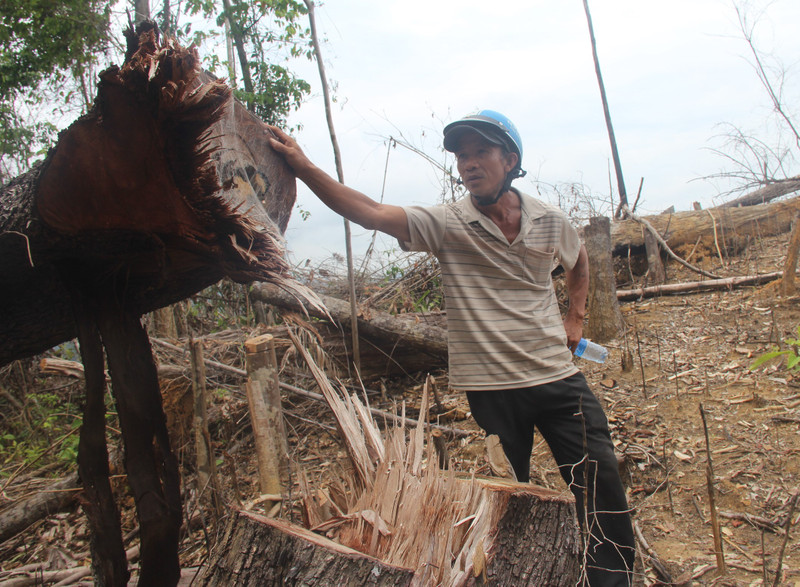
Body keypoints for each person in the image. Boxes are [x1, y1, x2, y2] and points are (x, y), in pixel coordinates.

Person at [267, 110, 635, 585]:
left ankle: (612, 580)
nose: (468, 163)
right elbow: (370, 212)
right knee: (510, 497)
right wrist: (304, 167)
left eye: (481, 151)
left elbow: (578, 260)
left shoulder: (549, 219)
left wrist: (575, 318)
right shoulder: (446, 223)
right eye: (462, 155)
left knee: (599, 476)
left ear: (510, 160)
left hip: (556, 375)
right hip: (493, 390)